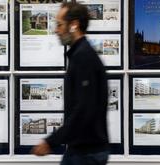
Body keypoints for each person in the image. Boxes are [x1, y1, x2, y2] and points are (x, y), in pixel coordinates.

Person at [31, 2, 109, 165]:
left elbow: (83, 109)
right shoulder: (80, 54)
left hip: (86, 155)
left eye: (59, 25)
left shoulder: (83, 57)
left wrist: (50, 142)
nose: (56, 30)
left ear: (74, 25)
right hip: (84, 152)